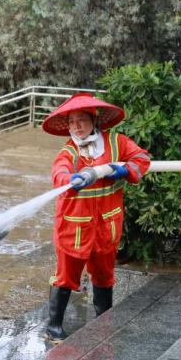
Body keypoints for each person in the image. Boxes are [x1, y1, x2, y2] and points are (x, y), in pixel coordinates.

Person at [42, 92, 150, 342]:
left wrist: (124, 169)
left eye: (81, 119)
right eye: (71, 121)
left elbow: (142, 158)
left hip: (106, 226)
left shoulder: (116, 143)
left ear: (94, 120)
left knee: (104, 274)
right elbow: (58, 173)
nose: (76, 126)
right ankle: (54, 327)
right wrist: (70, 179)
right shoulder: (69, 152)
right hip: (74, 228)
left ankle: (103, 320)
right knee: (66, 276)